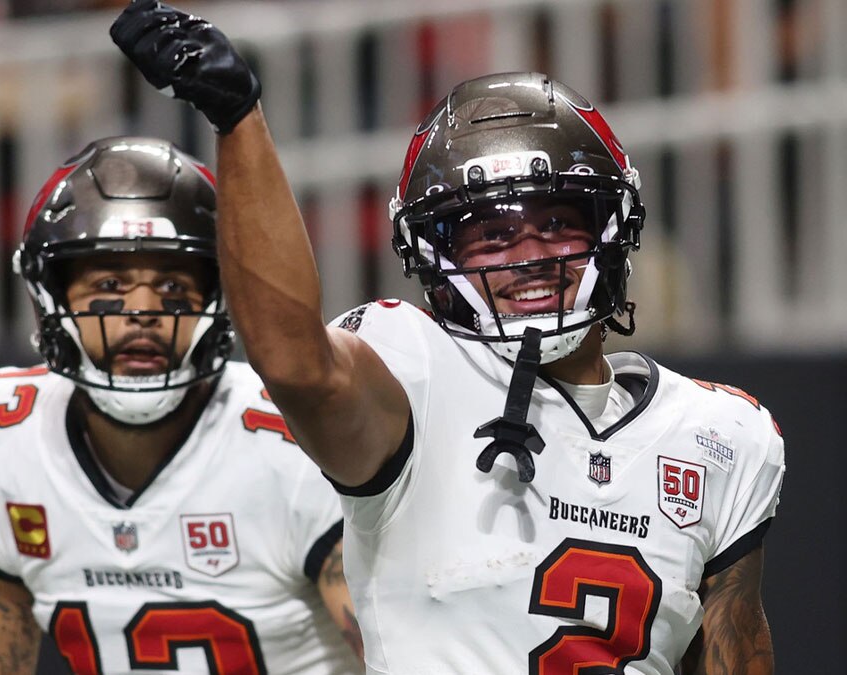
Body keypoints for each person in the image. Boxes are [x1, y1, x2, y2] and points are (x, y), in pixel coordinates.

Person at [111, 3, 786, 673]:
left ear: (614, 227)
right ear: (437, 259)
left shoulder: (721, 436)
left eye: (557, 223)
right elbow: (293, 363)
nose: (529, 255)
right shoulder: (416, 371)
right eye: (493, 235)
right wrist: (239, 121)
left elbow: (731, 650)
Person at [0, 136, 363, 674]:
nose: (143, 310)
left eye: (173, 287)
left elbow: (396, 653)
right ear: (51, 296)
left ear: (219, 298)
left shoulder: (289, 442)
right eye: (111, 284)